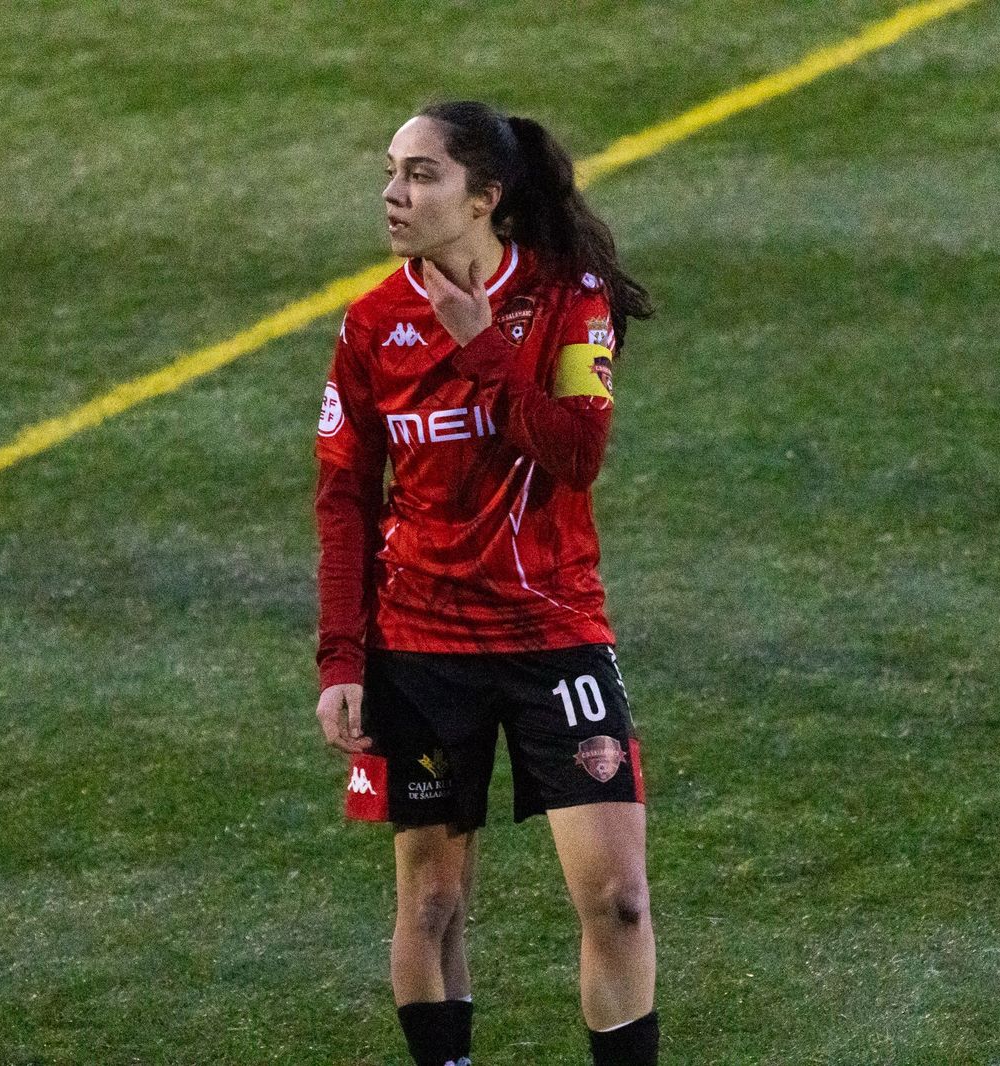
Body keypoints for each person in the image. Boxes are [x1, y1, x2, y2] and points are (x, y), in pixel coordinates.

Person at [312, 100, 660, 1066]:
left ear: (486, 198)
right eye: (390, 171)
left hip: (555, 636)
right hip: (420, 648)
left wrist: (482, 349)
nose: (393, 193)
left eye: (421, 175)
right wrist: (343, 658)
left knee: (619, 900)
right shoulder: (373, 325)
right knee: (430, 902)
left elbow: (576, 455)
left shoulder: (567, 299)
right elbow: (343, 500)